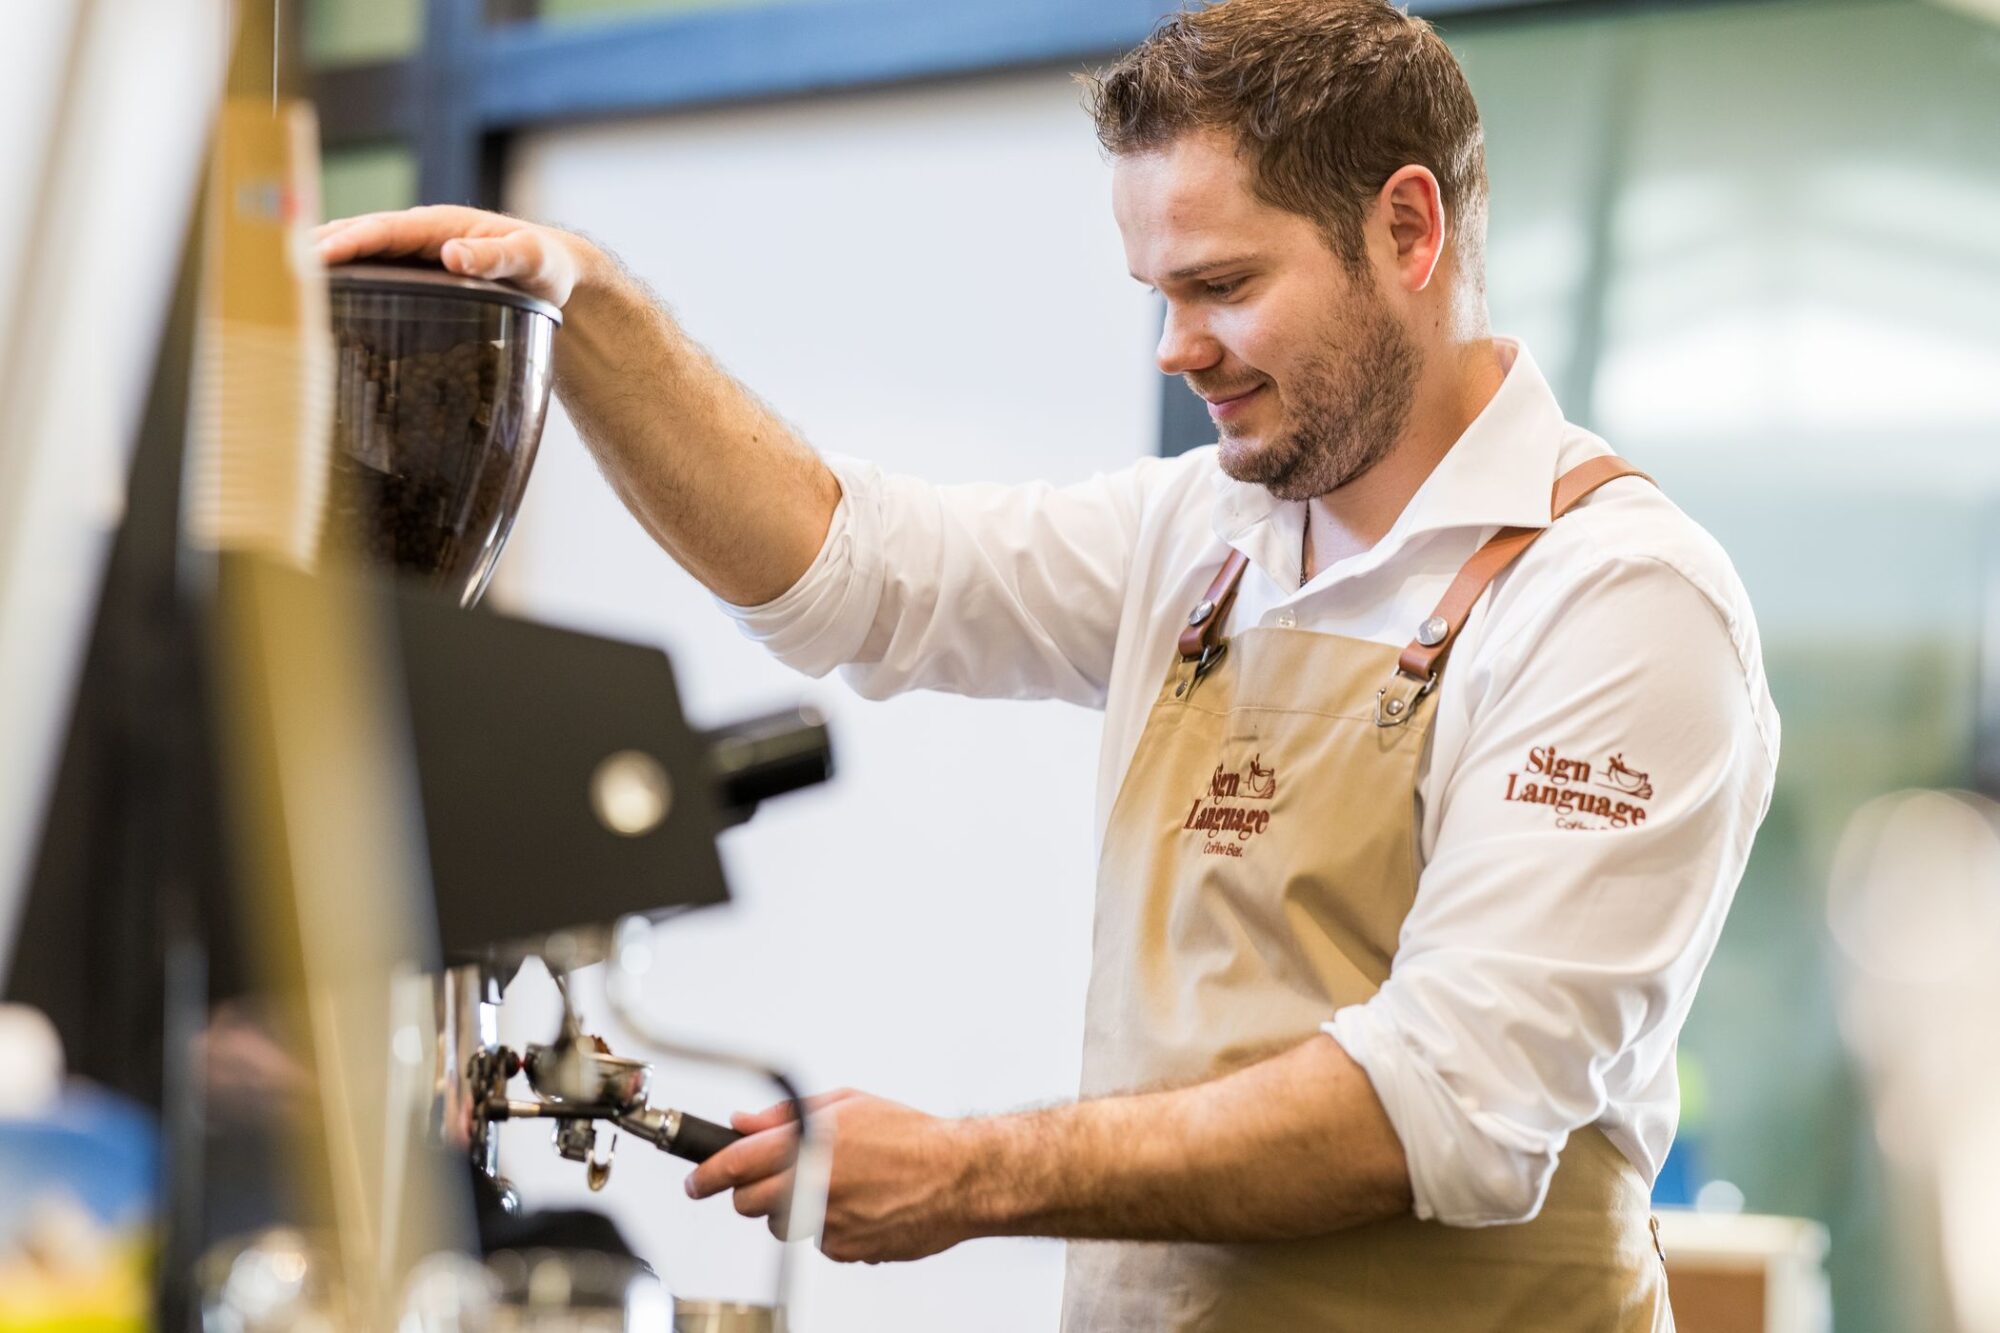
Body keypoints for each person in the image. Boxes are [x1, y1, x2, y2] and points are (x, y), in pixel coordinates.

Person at [317, 1, 1777, 1327]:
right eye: (1157, 291)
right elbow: (847, 572)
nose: (1177, 346)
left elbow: (1443, 1105)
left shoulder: (1616, 601)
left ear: (1407, 230)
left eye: (1222, 284)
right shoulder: (1206, 539)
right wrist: (583, 309)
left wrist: (968, 1173)